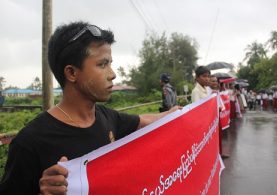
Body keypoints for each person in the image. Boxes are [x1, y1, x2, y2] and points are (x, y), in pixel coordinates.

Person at [0, 21, 180, 195]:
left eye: (110, 63)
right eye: (102, 64)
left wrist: (180, 113)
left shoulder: (106, 117)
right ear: (71, 73)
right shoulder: (29, 142)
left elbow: (143, 121)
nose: (113, 74)